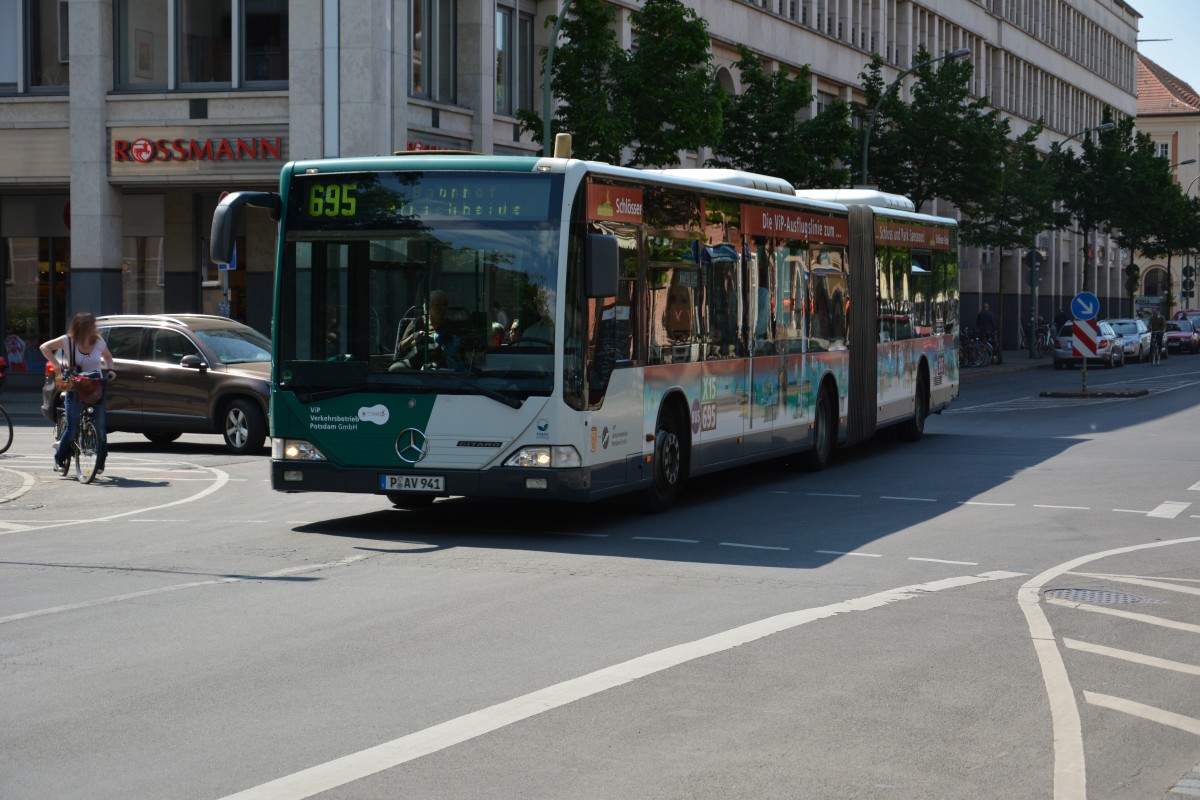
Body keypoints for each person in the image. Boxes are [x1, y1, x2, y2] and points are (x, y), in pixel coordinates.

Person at [41, 312, 115, 474]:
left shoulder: (99, 341)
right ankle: (59, 459)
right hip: (73, 387)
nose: (95, 329)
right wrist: (57, 365)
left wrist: (110, 370)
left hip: (94, 389)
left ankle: (100, 461)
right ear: (83, 328)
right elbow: (44, 347)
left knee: (101, 429)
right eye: (92, 326)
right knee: (73, 427)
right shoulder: (68, 341)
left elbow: (108, 357)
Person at [393, 291, 460, 370]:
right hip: (415, 359)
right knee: (395, 369)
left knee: (431, 369)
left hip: (440, 360)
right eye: (438, 305)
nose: (442, 308)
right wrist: (413, 337)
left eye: (445, 305)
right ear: (428, 306)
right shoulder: (417, 322)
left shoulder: (450, 325)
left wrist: (427, 338)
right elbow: (401, 348)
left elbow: (454, 345)